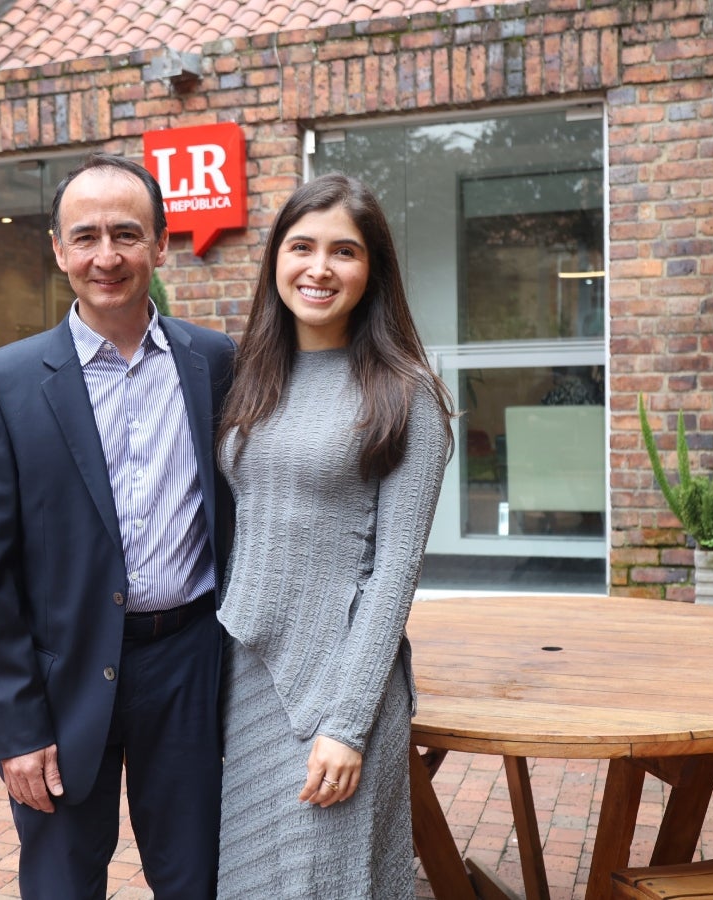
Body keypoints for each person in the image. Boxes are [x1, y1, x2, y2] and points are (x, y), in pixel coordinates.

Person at [0, 152, 235, 900]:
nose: (105, 257)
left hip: (187, 664)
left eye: (126, 234)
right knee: (61, 885)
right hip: (62, 678)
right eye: (84, 237)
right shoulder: (3, 385)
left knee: (197, 878)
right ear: (56, 249)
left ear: (161, 244)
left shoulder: (215, 363)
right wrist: (15, 730)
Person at [214, 172, 455, 898]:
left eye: (344, 252)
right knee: (251, 877)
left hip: (339, 686)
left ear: (372, 269)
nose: (319, 268)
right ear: (276, 261)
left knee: (326, 880)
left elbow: (393, 577)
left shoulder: (406, 395)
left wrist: (347, 724)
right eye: (301, 247)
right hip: (247, 675)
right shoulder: (254, 377)